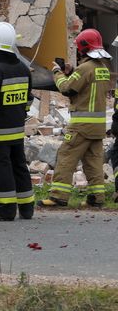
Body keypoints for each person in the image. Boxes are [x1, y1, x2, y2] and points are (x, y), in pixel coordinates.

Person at [39, 29, 111, 207]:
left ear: (82, 47)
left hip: (81, 125)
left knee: (66, 156)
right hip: (98, 127)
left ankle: (58, 197)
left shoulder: (85, 67)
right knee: (93, 160)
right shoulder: (103, 68)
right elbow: (86, 88)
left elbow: (67, 88)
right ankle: (97, 198)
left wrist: (57, 72)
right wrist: (71, 71)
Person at [0, 22, 34, 220]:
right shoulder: (23, 68)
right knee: (19, 165)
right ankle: (27, 208)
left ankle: (6, 210)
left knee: (2, 167)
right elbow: (28, 100)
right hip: (17, 127)